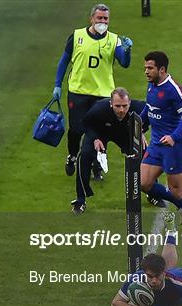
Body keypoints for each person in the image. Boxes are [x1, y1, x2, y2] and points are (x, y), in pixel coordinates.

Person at [52, 3, 133, 179]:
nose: (102, 22)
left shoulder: (114, 40)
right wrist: (57, 85)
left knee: (101, 131)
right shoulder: (77, 36)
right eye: (99, 18)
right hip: (78, 91)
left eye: (105, 19)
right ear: (92, 19)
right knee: (76, 130)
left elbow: (124, 63)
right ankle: (72, 155)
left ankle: (96, 165)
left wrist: (127, 51)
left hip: (103, 94)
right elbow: (64, 61)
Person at [139, 51, 182, 230]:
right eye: (145, 68)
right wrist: (137, 122)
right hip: (156, 146)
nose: (146, 72)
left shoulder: (173, 89)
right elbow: (149, 109)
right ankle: (180, 204)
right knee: (144, 183)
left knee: (176, 190)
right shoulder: (151, 85)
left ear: (162, 69)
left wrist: (174, 137)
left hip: (173, 148)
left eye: (150, 68)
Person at [70, 88, 145, 214]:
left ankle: (152, 192)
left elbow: (150, 117)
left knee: (144, 153)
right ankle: (80, 200)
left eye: (125, 106)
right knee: (84, 156)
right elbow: (86, 123)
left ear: (130, 103)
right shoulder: (98, 109)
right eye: (117, 106)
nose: (121, 110)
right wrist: (94, 139)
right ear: (110, 103)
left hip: (123, 133)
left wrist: (141, 132)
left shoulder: (139, 108)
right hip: (100, 132)